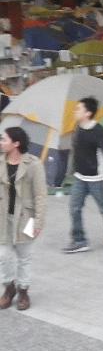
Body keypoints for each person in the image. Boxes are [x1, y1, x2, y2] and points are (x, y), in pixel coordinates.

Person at [63, 97, 103, 254]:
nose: (75, 111)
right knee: (74, 208)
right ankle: (80, 241)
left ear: (87, 113)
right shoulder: (78, 128)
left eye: (78, 109)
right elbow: (77, 151)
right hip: (80, 178)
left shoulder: (99, 131)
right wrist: (73, 171)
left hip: (97, 179)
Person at [0, 127, 47, 311]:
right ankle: (9, 288)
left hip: (26, 217)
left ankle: (23, 291)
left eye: (4, 139)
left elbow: (40, 195)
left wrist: (38, 222)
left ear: (16, 143)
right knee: (3, 255)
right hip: (3, 216)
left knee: (24, 256)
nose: (1, 142)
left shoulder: (33, 164)